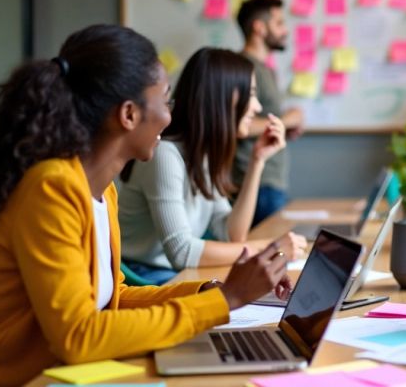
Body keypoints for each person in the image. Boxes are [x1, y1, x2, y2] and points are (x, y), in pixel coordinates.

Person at [0, 25, 291, 386]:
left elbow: (113, 297)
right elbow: (78, 337)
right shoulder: (51, 188)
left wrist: (207, 291)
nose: (170, 115)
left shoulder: (102, 191)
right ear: (129, 114)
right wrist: (226, 299)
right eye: (165, 100)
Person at [118, 47, 307, 285]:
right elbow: (181, 252)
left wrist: (257, 161)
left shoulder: (202, 155)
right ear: (225, 99)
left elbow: (232, 234)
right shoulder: (164, 155)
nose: (258, 107)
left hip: (171, 273)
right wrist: (267, 248)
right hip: (144, 277)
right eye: (250, 94)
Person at [234, 0, 305, 226]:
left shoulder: (266, 70)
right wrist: (286, 120)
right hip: (256, 182)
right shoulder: (243, 68)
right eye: (279, 23)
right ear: (260, 27)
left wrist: (285, 127)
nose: (285, 31)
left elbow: (261, 121)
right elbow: (236, 125)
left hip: (270, 182)